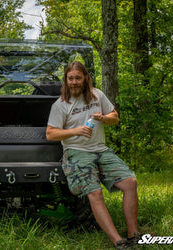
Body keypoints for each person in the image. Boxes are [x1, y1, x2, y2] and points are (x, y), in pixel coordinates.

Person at [46, 61, 139, 249]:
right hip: (76, 152)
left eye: (78, 78)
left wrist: (104, 118)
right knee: (95, 193)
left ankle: (134, 234)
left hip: (101, 150)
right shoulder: (61, 105)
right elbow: (50, 134)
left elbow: (115, 117)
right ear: (66, 80)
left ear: (85, 78)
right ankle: (118, 242)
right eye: (70, 78)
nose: (74, 82)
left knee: (130, 183)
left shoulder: (97, 95)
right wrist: (76, 131)